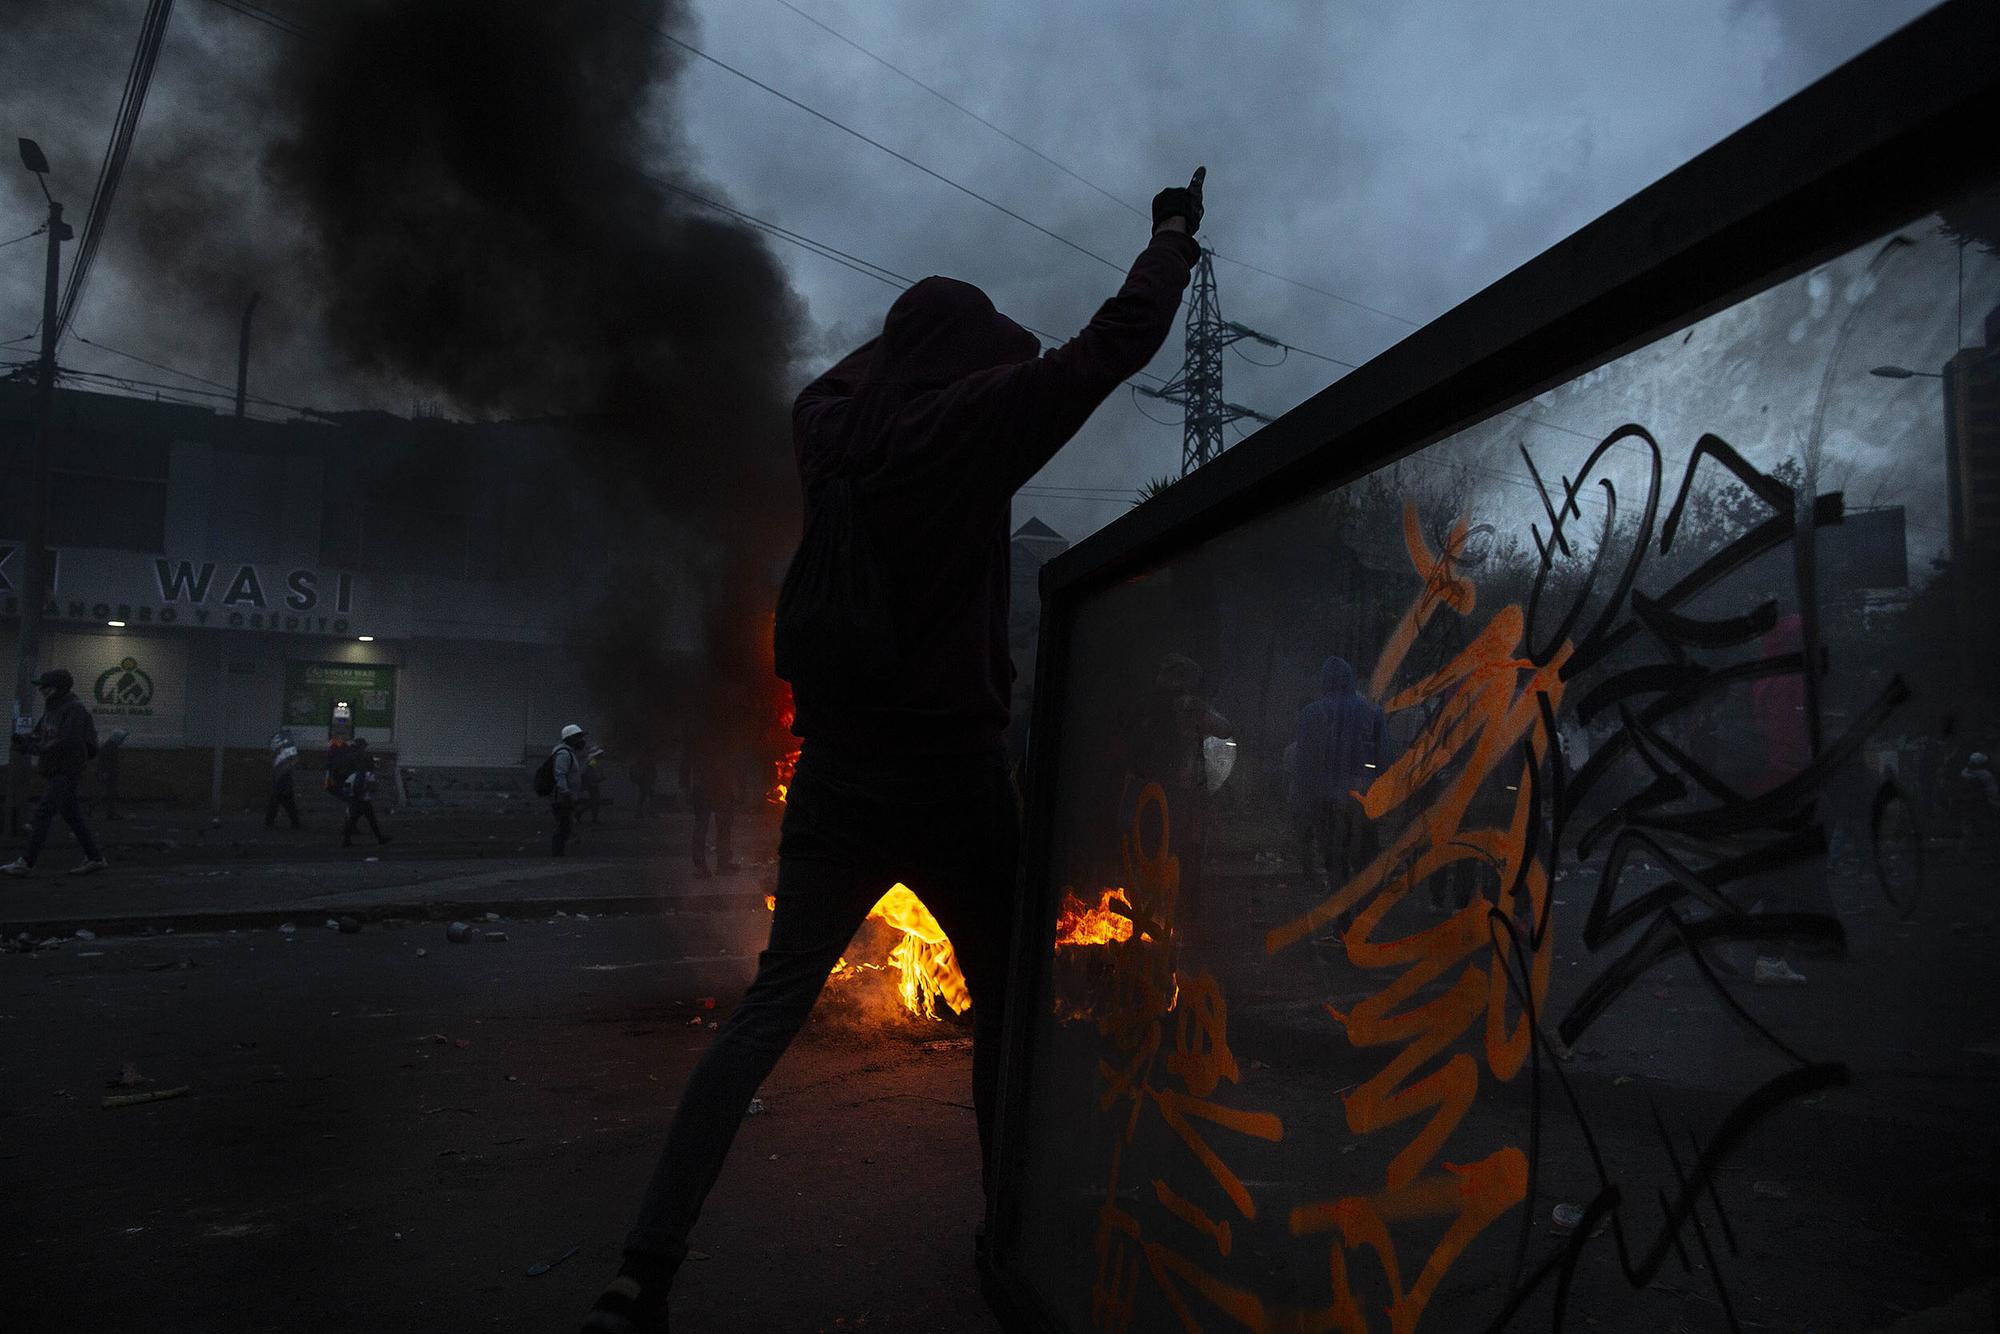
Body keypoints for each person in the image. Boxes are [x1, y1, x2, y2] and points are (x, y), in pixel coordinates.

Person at [581, 168, 1210, 1332]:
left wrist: (918, 343)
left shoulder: (829, 429)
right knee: (1005, 1007)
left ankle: (642, 1269)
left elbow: (849, 375)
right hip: (951, 772)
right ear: (962, 360)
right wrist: (1170, 236)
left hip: (836, 773)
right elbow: (1112, 344)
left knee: (768, 1009)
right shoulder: (966, 428)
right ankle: (1005, 1230)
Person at [1292, 655, 1389, 892]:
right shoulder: (1372, 712)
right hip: (1361, 799)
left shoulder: (1310, 713)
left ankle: (1342, 922)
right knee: (1366, 863)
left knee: (1336, 865)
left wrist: (1300, 804)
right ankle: (1365, 918)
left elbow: (1303, 764)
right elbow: (1385, 760)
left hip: (1323, 799)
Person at [3, 668, 109, 877]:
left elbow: (66, 741)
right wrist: (25, 742)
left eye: (44, 686)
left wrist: (36, 747)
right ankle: (95, 858)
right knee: (72, 816)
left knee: (43, 812)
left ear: (56, 688)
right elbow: (40, 734)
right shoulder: (52, 709)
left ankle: (26, 862)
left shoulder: (74, 710)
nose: (41, 690)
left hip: (67, 770)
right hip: (55, 770)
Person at [680, 708, 741, 879]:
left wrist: (684, 787)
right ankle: (718, 865)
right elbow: (733, 763)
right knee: (717, 826)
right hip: (715, 786)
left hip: (710, 786)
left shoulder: (697, 734)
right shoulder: (723, 735)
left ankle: (708, 866)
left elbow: (686, 762)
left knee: (707, 826)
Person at [339, 737, 390, 848]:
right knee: (370, 818)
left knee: (353, 818)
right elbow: (371, 775)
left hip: (353, 794)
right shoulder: (366, 758)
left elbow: (344, 775)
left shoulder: (349, 758)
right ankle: (379, 838)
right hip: (363, 796)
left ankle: (346, 840)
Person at [551, 723, 588, 856]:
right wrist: (566, 793)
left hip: (566, 797)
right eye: (579, 737)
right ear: (570, 738)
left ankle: (559, 852)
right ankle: (557, 853)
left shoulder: (569, 754)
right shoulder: (564, 754)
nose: (582, 741)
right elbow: (559, 774)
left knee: (565, 825)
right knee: (563, 826)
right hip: (562, 798)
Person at [266, 729, 303, 830]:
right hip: (284, 778)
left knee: (279, 801)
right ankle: (294, 823)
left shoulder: (279, 748)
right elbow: (293, 760)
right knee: (286, 801)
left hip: (281, 777)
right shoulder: (287, 749)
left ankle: (270, 821)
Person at [94, 728, 128, 821]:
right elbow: (108, 762)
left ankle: (94, 808)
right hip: (109, 774)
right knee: (109, 794)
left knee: (105, 793)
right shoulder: (111, 748)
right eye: (121, 739)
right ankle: (109, 813)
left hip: (107, 773)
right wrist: (106, 772)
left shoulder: (109, 746)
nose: (122, 741)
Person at [581, 745, 608, 825]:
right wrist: (598, 779)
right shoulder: (593, 762)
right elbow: (590, 773)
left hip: (592, 784)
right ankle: (592, 818)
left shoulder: (593, 761)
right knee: (595, 801)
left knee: (594, 801)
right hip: (592, 784)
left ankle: (590, 816)